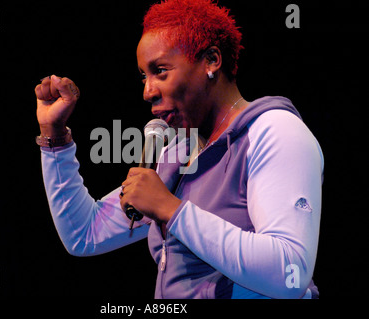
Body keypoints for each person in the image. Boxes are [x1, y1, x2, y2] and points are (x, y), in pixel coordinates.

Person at [34, 0, 323, 299]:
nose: (147, 92)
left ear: (211, 60)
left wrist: (171, 209)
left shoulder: (274, 131)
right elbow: (85, 234)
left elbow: (291, 274)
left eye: (161, 71)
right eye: (144, 76)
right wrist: (54, 136)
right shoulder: (178, 155)